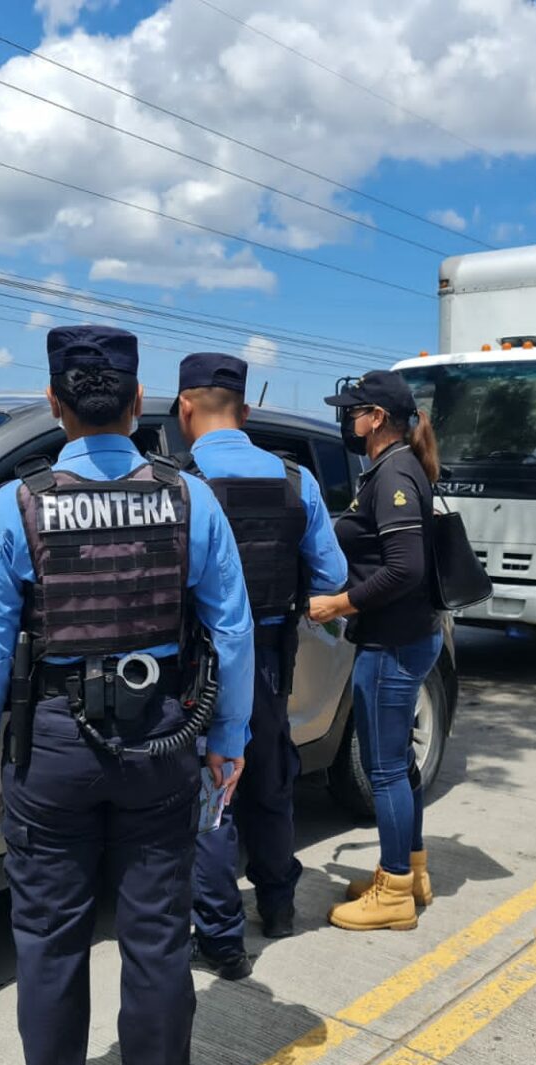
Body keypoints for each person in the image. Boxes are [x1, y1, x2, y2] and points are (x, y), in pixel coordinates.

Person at [0, 325, 254, 1065]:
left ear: (55, 403)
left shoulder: (16, 507)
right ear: (137, 401)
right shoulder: (191, 500)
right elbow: (232, 631)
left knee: (50, 946)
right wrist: (228, 737)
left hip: (53, 747)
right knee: (157, 941)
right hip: (163, 738)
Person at [174, 352, 349, 977]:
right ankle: (277, 907)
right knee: (271, 783)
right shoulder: (297, 481)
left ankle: (221, 939)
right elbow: (332, 576)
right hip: (271, 658)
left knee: (213, 795)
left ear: (184, 409)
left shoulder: (178, 485)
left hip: (197, 666)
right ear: (245, 411)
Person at [309, 370, 443, 931]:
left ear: (377, 418)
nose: (348, 419)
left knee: (383, 768)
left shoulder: (394, 474)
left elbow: (405, 568)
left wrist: (339, 603)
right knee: (397, 763)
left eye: (353, 410)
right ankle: (409, 873)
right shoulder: (395, 468)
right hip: (404, 636)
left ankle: (393, 896)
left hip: (394, 642)